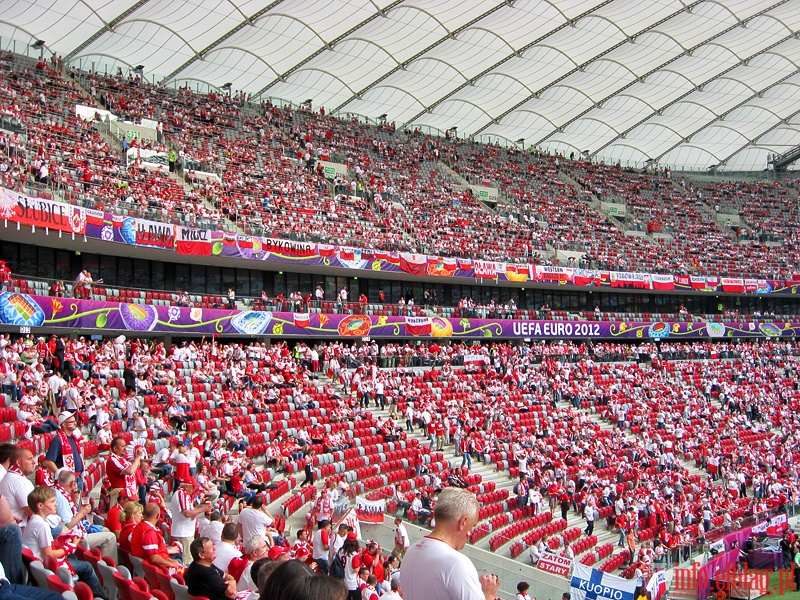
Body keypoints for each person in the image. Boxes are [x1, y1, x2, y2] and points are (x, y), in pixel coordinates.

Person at [400, 487, 500, 600]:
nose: (470, 532)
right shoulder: (457, 563)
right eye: (472, 526)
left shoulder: (411, 551)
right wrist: (488, 595)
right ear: (463, 522)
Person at [22, 486, 105, 599]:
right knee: (87, 567)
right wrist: (72, 546)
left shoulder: (34, 521)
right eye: (52, 502)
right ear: (40, 506)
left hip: (40, 566)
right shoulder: (42, 525)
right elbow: (49, 554)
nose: (56, 504)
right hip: (47, 566)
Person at [171, 477, 212, 564]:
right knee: (187, 560)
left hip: (186, 532)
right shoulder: (181, 494)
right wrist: (202, 509)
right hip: (183, 533)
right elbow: (186, 513)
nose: (193, 489)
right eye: (192, 487)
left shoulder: (184, 495)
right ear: (186, 486)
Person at [45, 411, 85, 490]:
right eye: (71, 422)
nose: (75, 423)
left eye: (74, 421)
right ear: (64, 424)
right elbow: (48, 461)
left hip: (77, 478)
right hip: (68, 482)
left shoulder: (73, 438)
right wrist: (60, 475)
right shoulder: (58, 440)